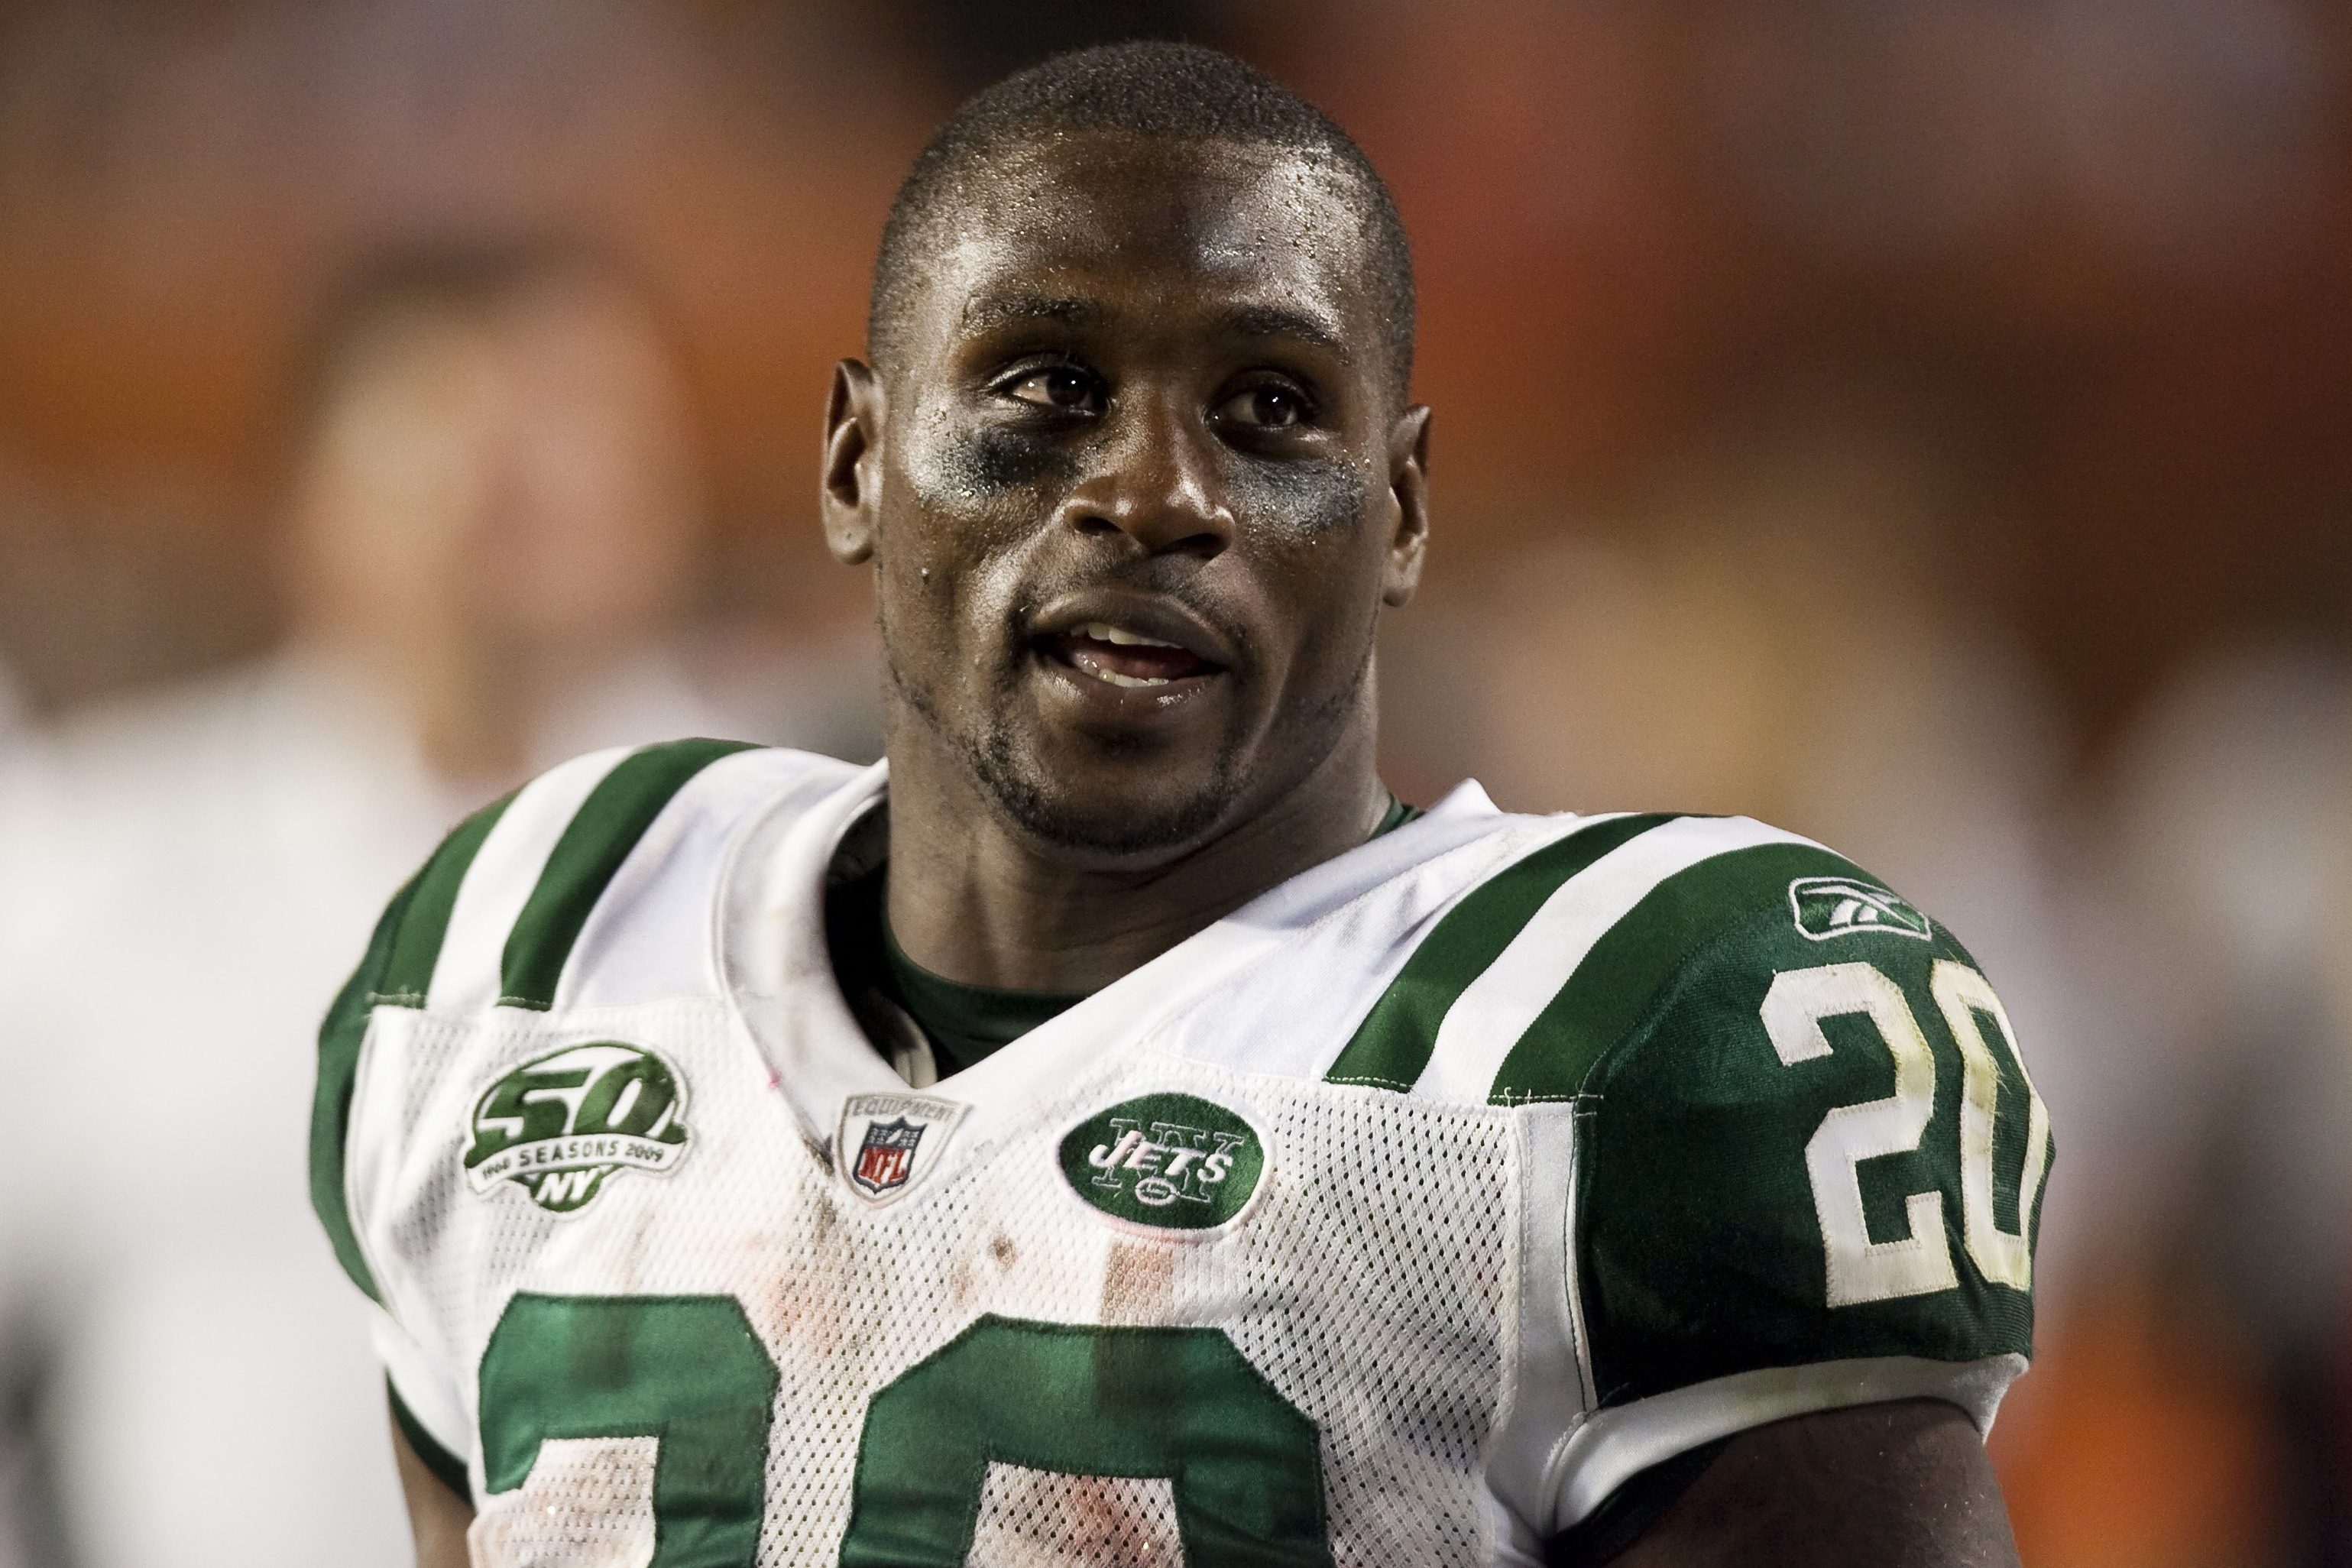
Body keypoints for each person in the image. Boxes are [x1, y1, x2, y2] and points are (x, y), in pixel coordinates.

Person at [321, 44, 2051, 1566]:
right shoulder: (534, 947)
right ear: (857, 462)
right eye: (1048, 389)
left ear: (1404, 507)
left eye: (1270, 408)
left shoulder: (1611, 1051)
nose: (1153, 493)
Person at [0, 238, 751, 1568]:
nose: (523, 480)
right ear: (303, 495)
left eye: (582, 426)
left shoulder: (815, 881)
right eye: (450, 431)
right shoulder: (82, 864)